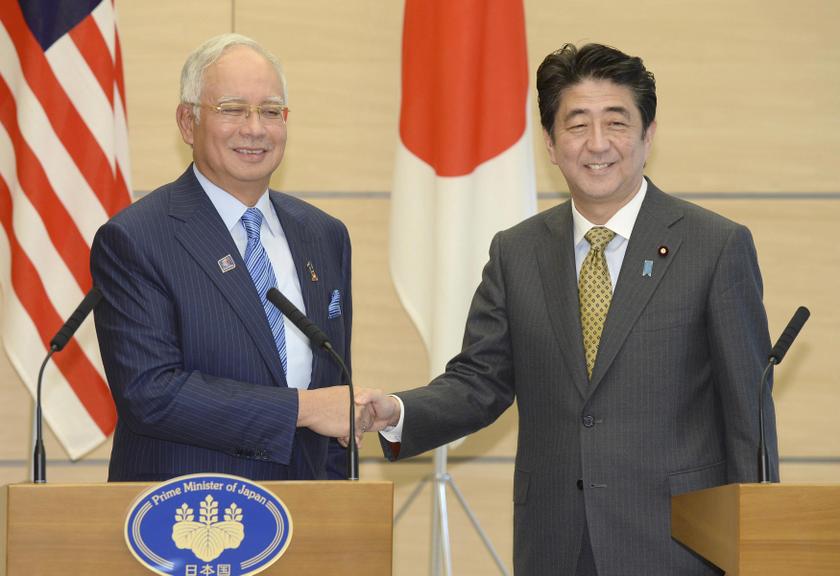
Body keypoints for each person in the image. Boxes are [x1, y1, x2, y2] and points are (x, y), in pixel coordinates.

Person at [358, 43, 779, 575]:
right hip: (556, 544)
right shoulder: (517, 252)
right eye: (577, 124)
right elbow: (479, 382)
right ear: (551, 145)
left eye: (617, 122)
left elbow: (749, 415)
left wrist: (759, 548)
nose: (597, 143)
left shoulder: (715, 246)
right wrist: (398, 412)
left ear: (648, 135)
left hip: (679, 547)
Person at [92, 34, 361, 482]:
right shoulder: (135, 239)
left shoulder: (324, 235)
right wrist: (303, 409)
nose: (255, 128)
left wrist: (340, 511)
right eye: (233, 109)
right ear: (187, 122)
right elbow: (151, 394)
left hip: (307, 521)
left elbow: (335, 397)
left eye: (271, 111)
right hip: (182, 519)